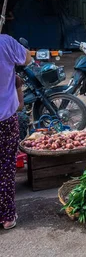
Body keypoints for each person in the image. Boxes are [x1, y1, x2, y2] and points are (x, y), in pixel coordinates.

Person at [0, 35, 32, 230]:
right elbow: (27, 58)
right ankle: (6, 216)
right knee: (5, 168)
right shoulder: (5, 41)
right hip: (4, 119)